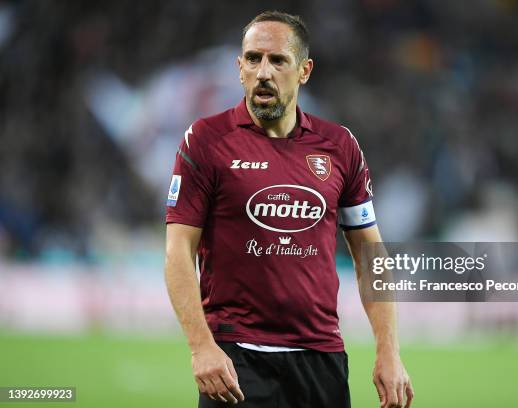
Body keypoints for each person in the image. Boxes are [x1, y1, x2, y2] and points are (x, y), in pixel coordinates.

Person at [164, 10, 414, 408]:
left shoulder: (339, 146)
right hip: (235, 361)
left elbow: (372, 256)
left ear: (304, 71)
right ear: (239, 68)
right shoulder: (206, 141)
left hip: (320, 359)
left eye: (277, 60)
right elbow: (178, 251)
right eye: (252, 58)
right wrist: (201, 347)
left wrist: (389, 350)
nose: (263, 71)